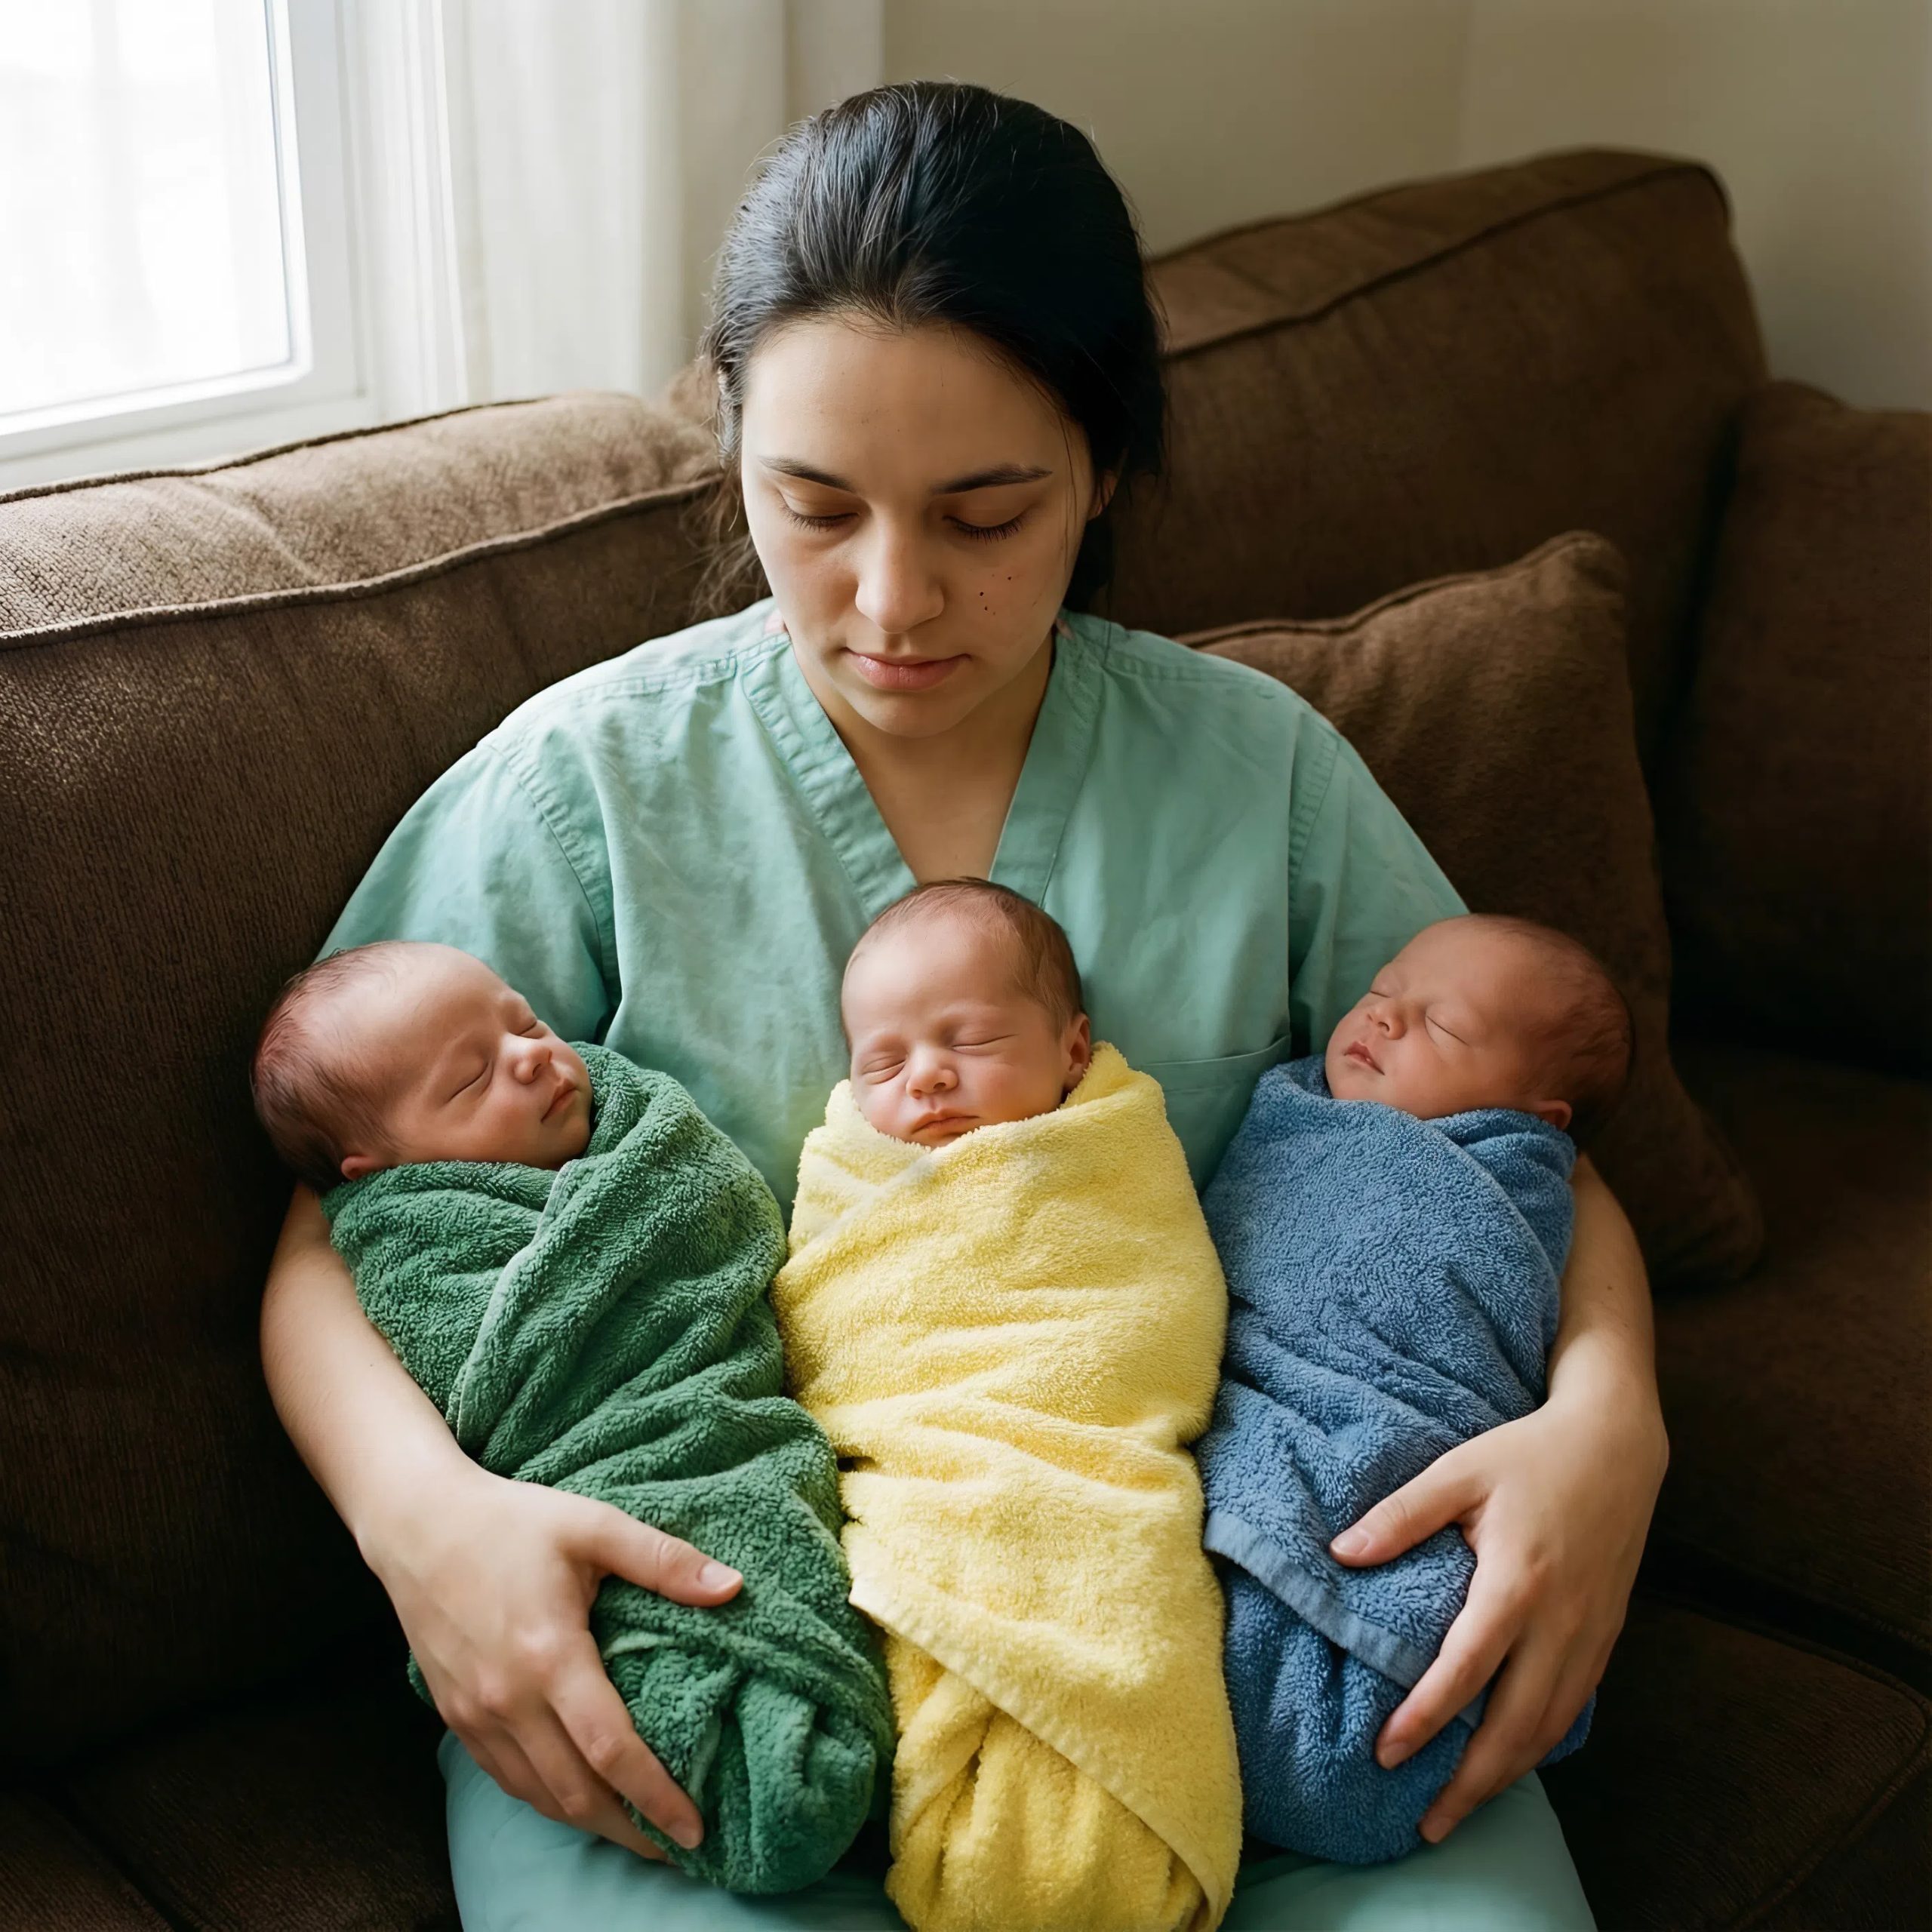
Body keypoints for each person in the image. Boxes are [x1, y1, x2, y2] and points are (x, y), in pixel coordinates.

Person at [260, 81, 1663, 1929]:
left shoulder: (1259, 775)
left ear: (1099, 472)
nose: (889, 597)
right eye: (810, 506)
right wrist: (421, 1518)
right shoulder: (581, 791)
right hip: (713, 1653)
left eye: (984, 513)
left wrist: (1609, 1417)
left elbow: (1505, 1143)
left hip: (1232, 1645)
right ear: (735, 455)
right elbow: (337, 1224)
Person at [251, 942, 894, 1894]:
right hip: (578, 1505)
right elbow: (355, 1273)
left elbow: (706, 1211)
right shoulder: (415, 1229)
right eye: (471, 1078)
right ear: (377, 1164)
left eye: (529, 1022)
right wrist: (422, 1516)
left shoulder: (632, 1139)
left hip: (811, 1434)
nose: (532, 1055)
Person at [780, 879, 1241, 1931]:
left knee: (1122, 1602)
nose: (927, 1076)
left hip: (1091, 1468)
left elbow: (1156, 1312)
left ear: (1074, 1049)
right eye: (884, 1062)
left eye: (970, 1039)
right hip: (918, 1474)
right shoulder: (854, 1178)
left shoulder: (1111, 1156)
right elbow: (822, 1322)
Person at [1198, 916, 1635, 1868]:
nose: (1384, 1019)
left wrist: (1613, 1413)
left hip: (1396, 1428)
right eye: (1383, 991)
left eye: (1442, 1027)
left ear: (1537, 1116)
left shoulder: (1507, 1180)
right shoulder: (1302, 1113)